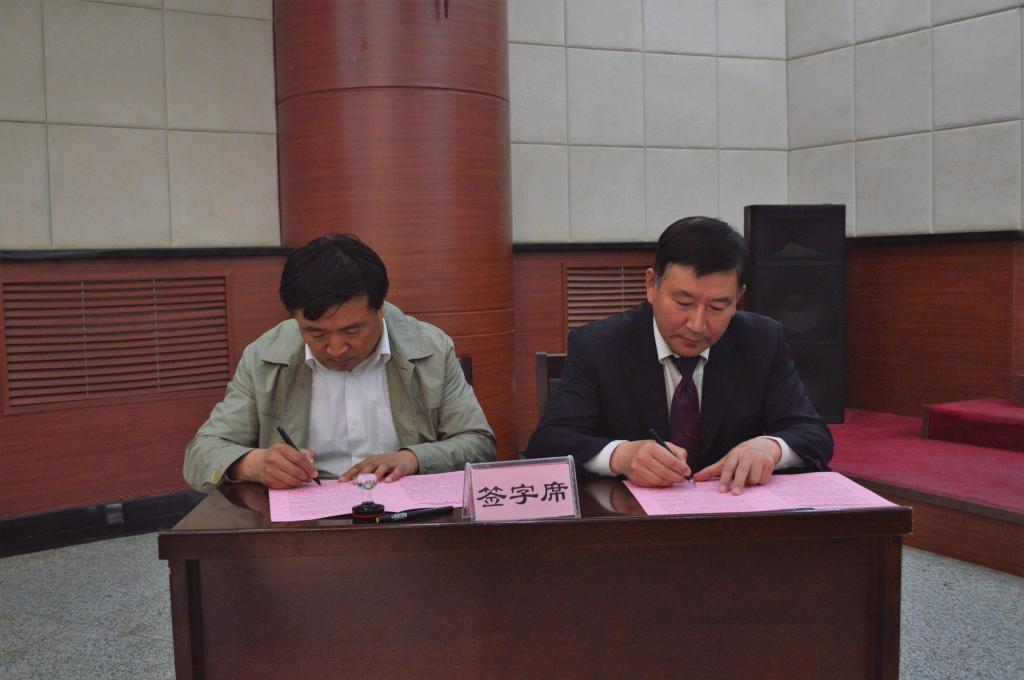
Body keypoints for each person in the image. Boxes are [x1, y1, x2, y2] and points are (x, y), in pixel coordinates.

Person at [525, 216, 832, 494]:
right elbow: (548, 442)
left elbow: (813, 434)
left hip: (733, 517)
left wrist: (770, 448)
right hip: (633, 523)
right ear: (651, 285)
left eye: (718, 307)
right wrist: (621, 455)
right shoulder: (599, 346)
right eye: (684, 303)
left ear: (738, 298)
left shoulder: (761, 340)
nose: (697, 325)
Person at [184, 234, 496, 493]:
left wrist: (412, 459)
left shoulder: (430, 349)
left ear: (380, 308)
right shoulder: (265, 358)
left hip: (407, 521)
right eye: (316, 333)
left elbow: (478, 443)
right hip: (304, 527)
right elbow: (202, 453)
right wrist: (254, 464)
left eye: (352, 330)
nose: (335, 349)